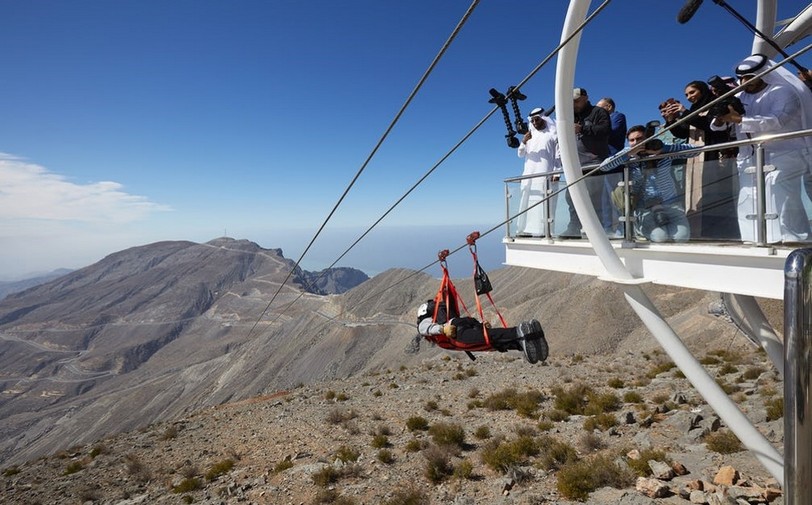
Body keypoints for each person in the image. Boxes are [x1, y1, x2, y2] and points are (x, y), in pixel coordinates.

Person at [711, 54, 812, 243]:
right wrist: (721, 117)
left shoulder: (783, 92)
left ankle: (794, 240)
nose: (744, 82)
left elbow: (776, 121)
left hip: (784, 153)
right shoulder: (738, 96)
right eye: (742, 78)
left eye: (749, 77)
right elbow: (717, 127)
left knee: (781, 196)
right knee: (748, 199)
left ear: (763, 74)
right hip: (749, 156)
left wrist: (739, 120)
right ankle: (754, 240)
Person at [662, 80, 739, 240]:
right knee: (695, 196)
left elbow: (709, 125)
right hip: (695, 158)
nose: (689, 97)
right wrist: (671, 120)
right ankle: (699, 233)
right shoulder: (693, 110)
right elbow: (683, 133)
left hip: (713, 156)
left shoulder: (714, 104)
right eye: (686, 95)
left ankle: (721, 234)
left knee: (714, 195)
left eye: (692, 93)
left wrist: (684, 113)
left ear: (702, 90)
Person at [598, 125, 699, 242]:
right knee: (660, 237)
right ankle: (638, 227)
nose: (636, 143)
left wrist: (663, 150)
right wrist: (628, 154)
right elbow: (604, 167)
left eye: (640, 139)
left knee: (681, 238)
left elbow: (697, 150)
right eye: (632, 140)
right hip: (644, 209)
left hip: (670, 204)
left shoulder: (661, 149)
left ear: (647, 139)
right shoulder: (628, 154)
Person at [416, 300, 548, 364]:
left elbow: (424, 329)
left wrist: (442, 329)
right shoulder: (441, 315)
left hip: (457, 333)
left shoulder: (425, 321)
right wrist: (479, 325)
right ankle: (527, 340)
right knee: (493, 342)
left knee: (490, 338)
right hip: (464, 323)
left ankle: (518, 332)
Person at [560, 87, 612, 238]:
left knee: (595, 198)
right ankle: (574, 228)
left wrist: (583, 128)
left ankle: (597, 230)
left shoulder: (598, 112)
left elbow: (605, 130)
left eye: (576, 101)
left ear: (585, 97)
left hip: (594, 162)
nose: (574, 104)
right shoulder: (571, 115)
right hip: (575, 165)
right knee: (571, 198)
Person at [516, 108, 560, 237]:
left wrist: (556, 173)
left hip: (545, 174)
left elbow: (558, 157)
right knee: (526, 201)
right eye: (533, 120)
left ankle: (544, 231)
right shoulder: (529, 136)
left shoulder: (553, 134)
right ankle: (524, 230)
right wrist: (524, 141)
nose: (535, 123)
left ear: (544, 119)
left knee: (544, 202)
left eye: (537, 119)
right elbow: (520, 154)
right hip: (528, 174)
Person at [597, 97, 628, 236]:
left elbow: (610, 133)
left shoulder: (618, 117)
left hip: (615, 163)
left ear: (608, 107)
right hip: (603, 164)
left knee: (617, 198)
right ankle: (607, 228)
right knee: (605, 200)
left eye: (600, 108)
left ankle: (623, 228)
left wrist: (593, 130)